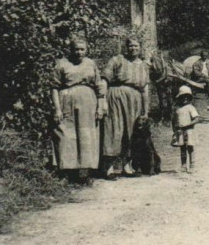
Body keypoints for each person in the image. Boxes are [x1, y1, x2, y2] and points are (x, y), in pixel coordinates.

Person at [50, 35, 107, 184]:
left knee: (87, 135)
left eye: (82, 49)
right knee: (66, 135)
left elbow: (99, 87)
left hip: (88, 103)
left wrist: (100, 106)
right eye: (76, 49)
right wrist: (57, 109)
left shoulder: (91, 63)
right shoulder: (62, 64)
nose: (79, 52)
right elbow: (54, 87)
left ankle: (86, 173)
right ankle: (66, 173)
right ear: (71, 50)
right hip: (66, 101)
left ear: (86, 50)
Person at [102, 37, 150, 179]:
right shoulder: (117, 60)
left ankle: (127, 166)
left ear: (140, 48)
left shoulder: (143, 65)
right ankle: (109, 168)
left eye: (136, 46)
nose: (133, 48)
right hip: (115, 97)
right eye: (130, 46)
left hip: (135, 100)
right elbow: (104, 80)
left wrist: (146, 110)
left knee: (131, 131)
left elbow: (145, 88)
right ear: (126, 47)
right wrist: (102, 100)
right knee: (114, 129)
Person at [171, 85, 200, 173]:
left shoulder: (191, 108)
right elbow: (174, 120)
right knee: (182, 148)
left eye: (187, 97)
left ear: (189, 98)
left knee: (190, 148)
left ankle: (192, 165)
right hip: (180, 131)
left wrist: (188, 124)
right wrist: (174, 130)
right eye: (183, 97)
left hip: (189, 131)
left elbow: (197, 119)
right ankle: (183, 165)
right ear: (179, 98)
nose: (185, 99)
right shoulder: (177, 108)